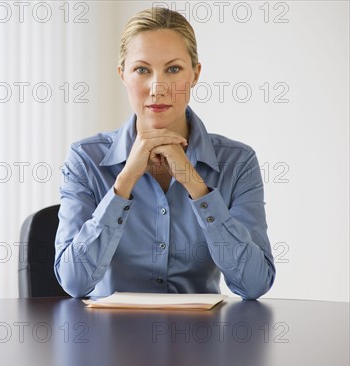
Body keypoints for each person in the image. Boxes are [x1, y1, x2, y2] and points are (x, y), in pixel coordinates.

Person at [54, 7, 275, 300]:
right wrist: (124, 183)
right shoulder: (85, 159)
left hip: (200, 339)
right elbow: (74, 282)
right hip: (110, 340)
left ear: (195, 74)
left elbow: (254, 284)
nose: (157, 88)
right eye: (142, 69)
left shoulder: (238, 162)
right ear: (123, 75)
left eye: (173, 69)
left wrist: (197, 186)